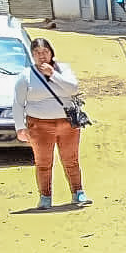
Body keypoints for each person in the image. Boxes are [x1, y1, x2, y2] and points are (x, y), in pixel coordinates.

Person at [13, 37, 91, 210]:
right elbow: (18, 103)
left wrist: (53, 74)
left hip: (67, 124)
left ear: (51, 52)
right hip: (39, 126)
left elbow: (73, 88)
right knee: (43, 162)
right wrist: (20, 127)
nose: (42, 56)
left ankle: (78, 192)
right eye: (37, 53)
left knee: (71, 160)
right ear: (32, 55)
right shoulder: (26, 75)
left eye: (45, 52)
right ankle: (45, 196)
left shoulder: (63, 69)